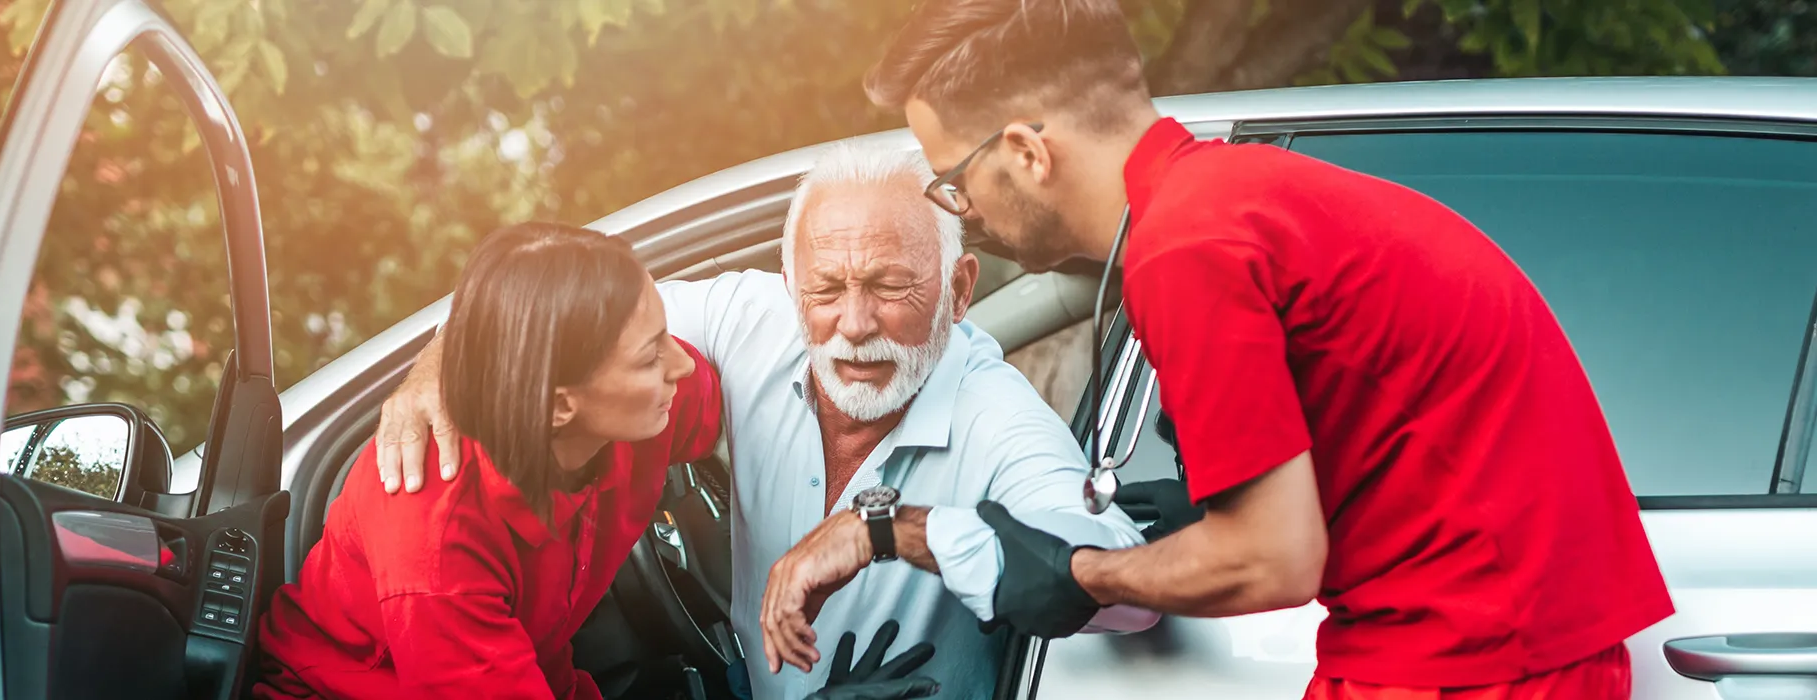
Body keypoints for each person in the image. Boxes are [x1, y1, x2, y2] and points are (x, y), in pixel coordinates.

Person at [864, 1, 1672, 698]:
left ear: (1027, 153)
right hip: (1511, 643)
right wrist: (1202, 515)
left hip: (1465, 663)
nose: (964, 212)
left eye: (954, 181)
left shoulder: (1186, 248)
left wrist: (1072, 571)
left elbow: (1272, 560)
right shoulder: (1237, 199)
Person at [376, 143, 1155, 700]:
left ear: (957, 289)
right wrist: (438, 366)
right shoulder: (752, 318)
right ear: (789, 284)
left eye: (891, 286)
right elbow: (545, 312)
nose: (854, 324)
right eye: (826, 290)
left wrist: (894, 531)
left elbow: (1131, 585)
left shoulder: (994, 414)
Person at [253, 223, 729, 699]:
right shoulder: (439, 536)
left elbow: (745, 398)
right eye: (649, 358)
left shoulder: (642, 405)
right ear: (560, 405)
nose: (683, 364)